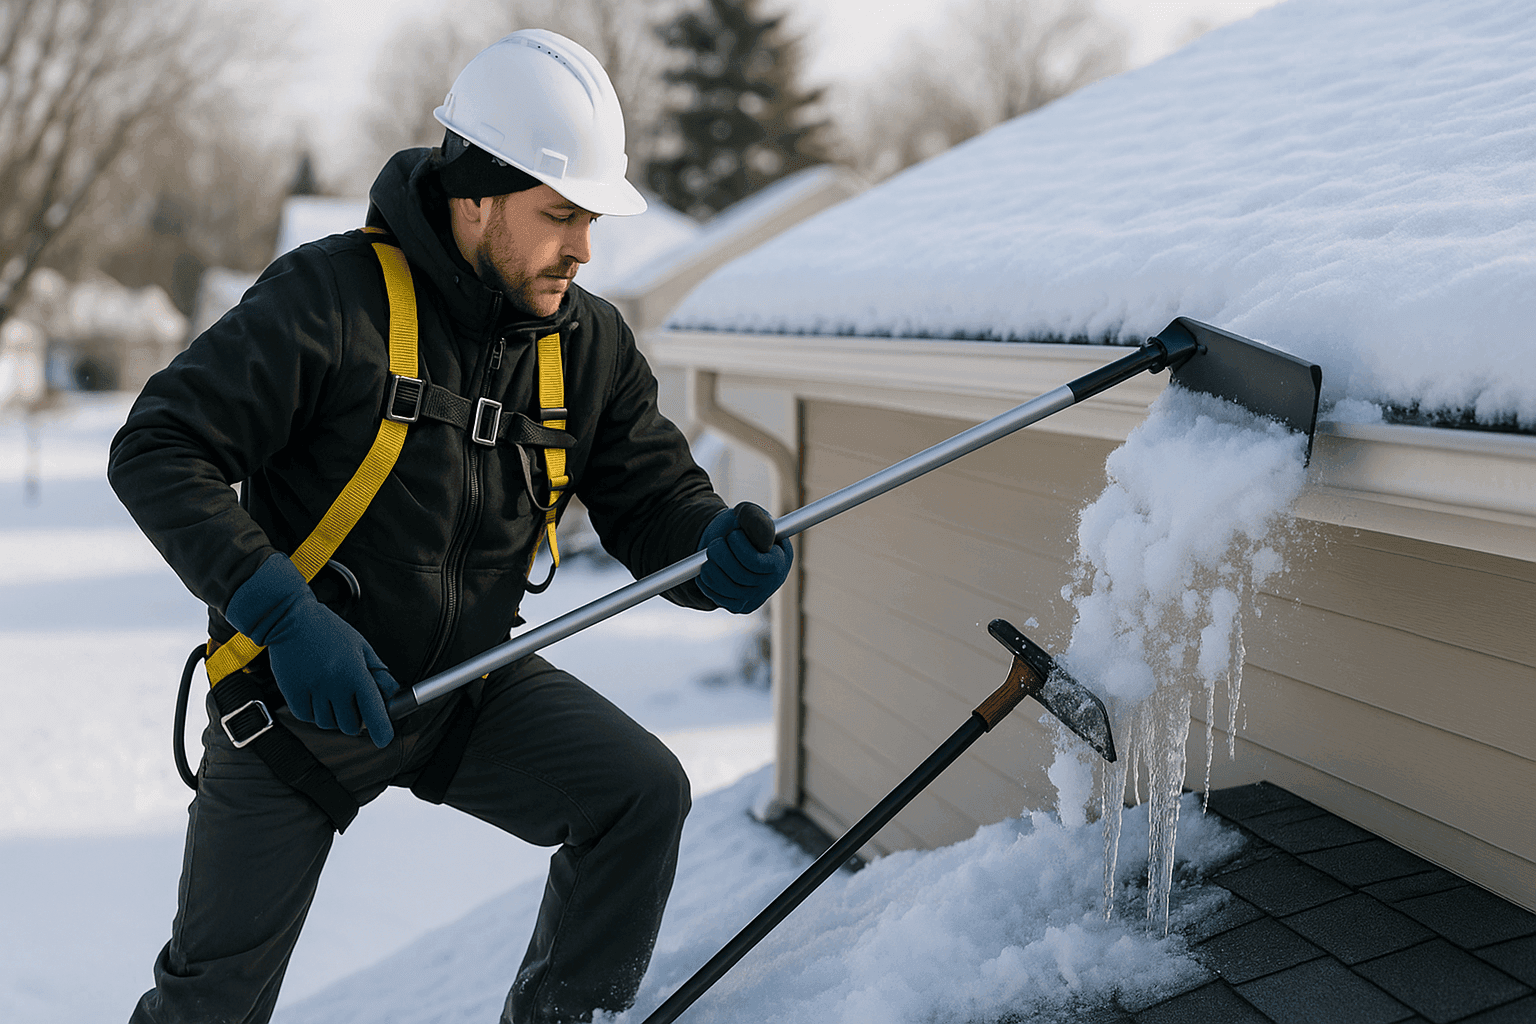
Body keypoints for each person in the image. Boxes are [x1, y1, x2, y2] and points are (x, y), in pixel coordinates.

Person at [108, 29, 792, 1024]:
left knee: (638, 793)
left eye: (590, 218)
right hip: (296, 701)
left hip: (468, 686)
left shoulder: (584, 342)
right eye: (559, 213)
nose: (584, 247)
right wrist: (286, 619)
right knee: (208, 1004)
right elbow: (159, 449)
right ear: (474, 193)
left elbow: (652, 499)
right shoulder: (330, 299)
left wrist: (714, 549)